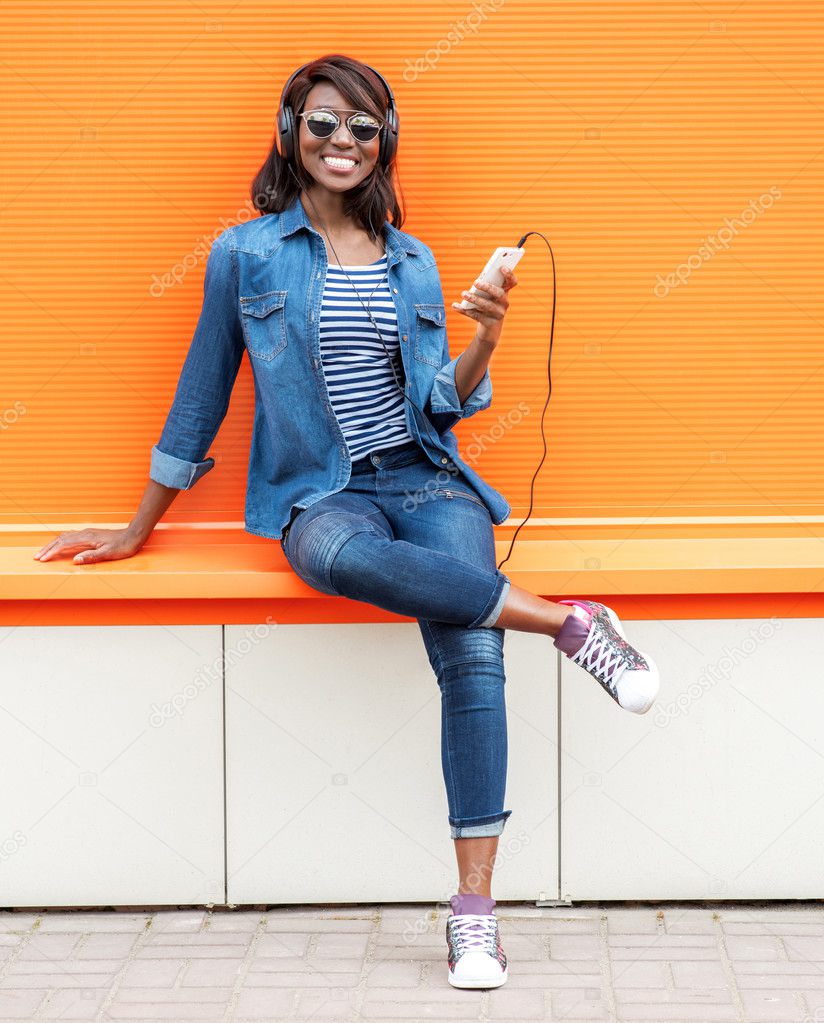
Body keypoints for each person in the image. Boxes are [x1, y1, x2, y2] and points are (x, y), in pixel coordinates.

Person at [33, 54, 660, 990]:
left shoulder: (412, 260)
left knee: (469, 652)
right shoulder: (245, 252)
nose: (343, 142)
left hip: (427, 479)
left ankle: (474, 916)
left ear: (385, 144)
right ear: (290, 130)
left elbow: (442, 403)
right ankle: (569, 623)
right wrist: (136, 527)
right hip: (318, 496)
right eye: (324, 123)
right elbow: (202, 393)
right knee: (349, 561)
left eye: (364, 128)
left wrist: (486, 333)